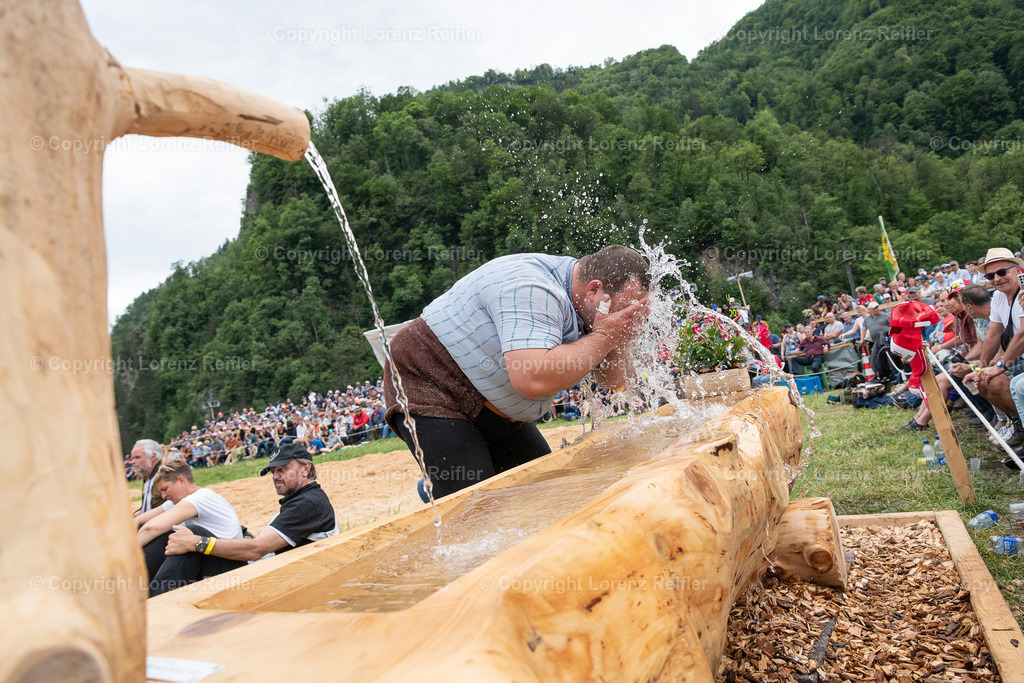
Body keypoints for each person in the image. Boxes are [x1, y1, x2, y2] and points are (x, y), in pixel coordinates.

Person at [382, 245, 650, 498]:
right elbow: (532, 379)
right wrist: (605, 336)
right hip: (430, 378)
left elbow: (613, 379)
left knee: (541, 494)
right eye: (625, 308)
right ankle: (441, 486)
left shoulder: (592, 306)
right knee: (475, 506)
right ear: (594, 290)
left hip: (497, 408)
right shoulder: (532, 288)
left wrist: (614, 336)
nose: (626, 317)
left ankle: (436, 486)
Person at [165, 443, 339, 565]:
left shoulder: (306, 504)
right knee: (187, 539)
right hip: (270, 570)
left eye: (282, 469)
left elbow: (257, 549)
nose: (275, 476)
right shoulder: (306, 499)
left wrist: (198, 543)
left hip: (268, 577)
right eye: (273, 471)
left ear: (306, 469)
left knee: (194, 536)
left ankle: (160, 599)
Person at [134, 461, 244, 597]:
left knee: (186, 537)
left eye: (165, 489)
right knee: (170, 537)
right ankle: (133, 588)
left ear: (181, 480)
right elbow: (142, 520)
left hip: (230, 566)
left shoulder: (200, 498)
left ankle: (155, 598)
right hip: (212, 559)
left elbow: (151, 528)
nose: (163, 496)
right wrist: (135, 522)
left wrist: (126, 554)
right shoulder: (182, 500)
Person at [964, 248, 1024, 450]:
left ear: (1018, 270)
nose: (997, 279)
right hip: (1018, 355)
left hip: (1019, 354)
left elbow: (1022, 334)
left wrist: (1000, 366)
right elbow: (993, 334)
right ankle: (1018, 424)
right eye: (990, 276)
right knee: (981, 380)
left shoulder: (1022, 293)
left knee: (999, 379)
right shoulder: (998, 296)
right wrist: (980, 366)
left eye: (1002, 272)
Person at [128, 439, 165, 515]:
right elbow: (146, 510)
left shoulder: (165, 477)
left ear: (152, 457)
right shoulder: (148, 477)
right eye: (132, 458)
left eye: (137, 457)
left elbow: (176, 508)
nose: (133, 462)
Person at [860, 302, 893, 381]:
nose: (876, 309)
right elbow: (864, 329)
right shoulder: (867, 319)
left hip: (887, 339)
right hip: (876, 341)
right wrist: (861, 339)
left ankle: (892, 374)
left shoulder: (885, 315)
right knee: (875, 357)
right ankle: (880, 375)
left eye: (877, 307)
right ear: (869, 310)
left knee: (889, 356)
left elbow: (892, 325)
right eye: (874, 308)